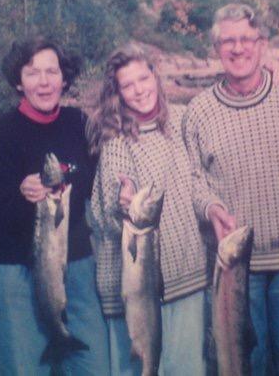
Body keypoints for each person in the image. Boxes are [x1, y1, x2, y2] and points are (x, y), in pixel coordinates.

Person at [182, 3, 279, 376]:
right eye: (228, 41)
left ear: (262, 44)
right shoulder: (199, 111)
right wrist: (211, 208)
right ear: (216, 49)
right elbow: (193, 180)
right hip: (234, 270)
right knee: (247, 362)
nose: (238, 49)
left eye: (246, 39)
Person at [0, 37, 109, 375]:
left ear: (64, 78)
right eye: (33, 72)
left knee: (95, 365)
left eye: (51, 71)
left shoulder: (79, 123)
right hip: (16, 270)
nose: (44, 81)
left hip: (77, 264)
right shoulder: (1, 132)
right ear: (18, 82)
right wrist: (21, 192)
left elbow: (100, 184)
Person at [86, 43, 211, 376]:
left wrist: (272, 66)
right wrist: (122, 205)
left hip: (186, 277)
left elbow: (224, 104)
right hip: (134, 293)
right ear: (117, 94)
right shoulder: (115, 143)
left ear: (156, 77)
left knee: (188, 369)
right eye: (128, 85)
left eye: (143, 78)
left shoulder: (184, 120)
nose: (139, 90)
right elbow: (104, 217)